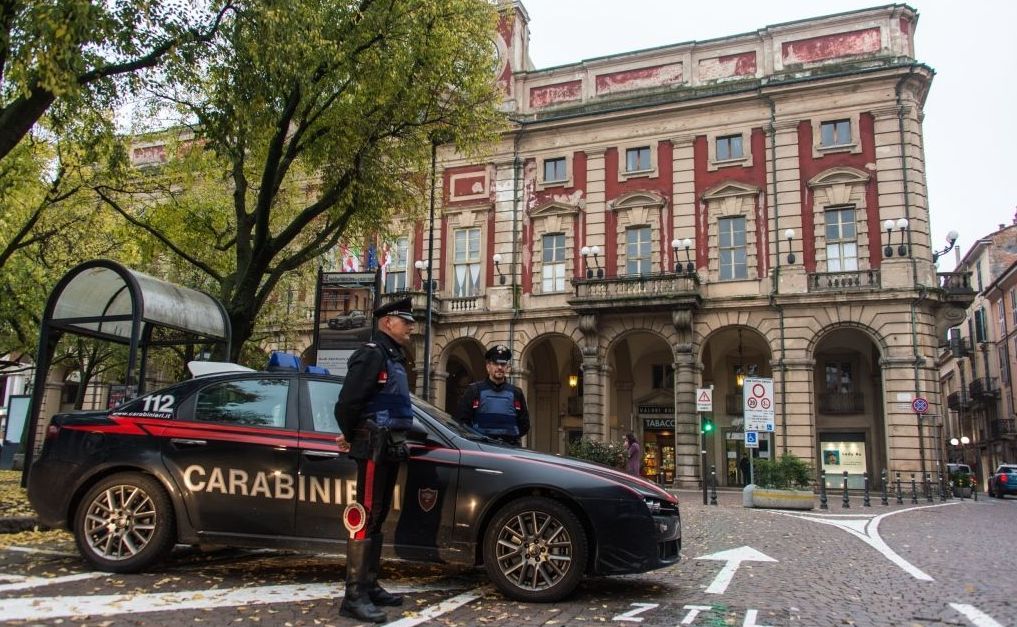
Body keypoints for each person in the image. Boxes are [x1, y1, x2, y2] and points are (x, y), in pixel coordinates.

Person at [333, 297, 416, 623]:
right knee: (364, 516)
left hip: (390, 444)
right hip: (373, 445)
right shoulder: (371, 354)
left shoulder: (393, 356)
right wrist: (354, 434)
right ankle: (353, 597)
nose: (410, 326)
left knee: (378, 515)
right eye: (405, 320)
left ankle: (368, 584)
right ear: (387, 322)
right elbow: (347, 404)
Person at [456, 344, 530, 446]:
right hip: (482, 449)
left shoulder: (516, 393)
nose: (499, 367)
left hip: (510, 450)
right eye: (495, 364)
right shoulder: (474, 390)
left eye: (503, 364)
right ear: (488, 367)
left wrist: (510, 439)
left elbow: (525, 424)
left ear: (507, 367)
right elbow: (462, 422)